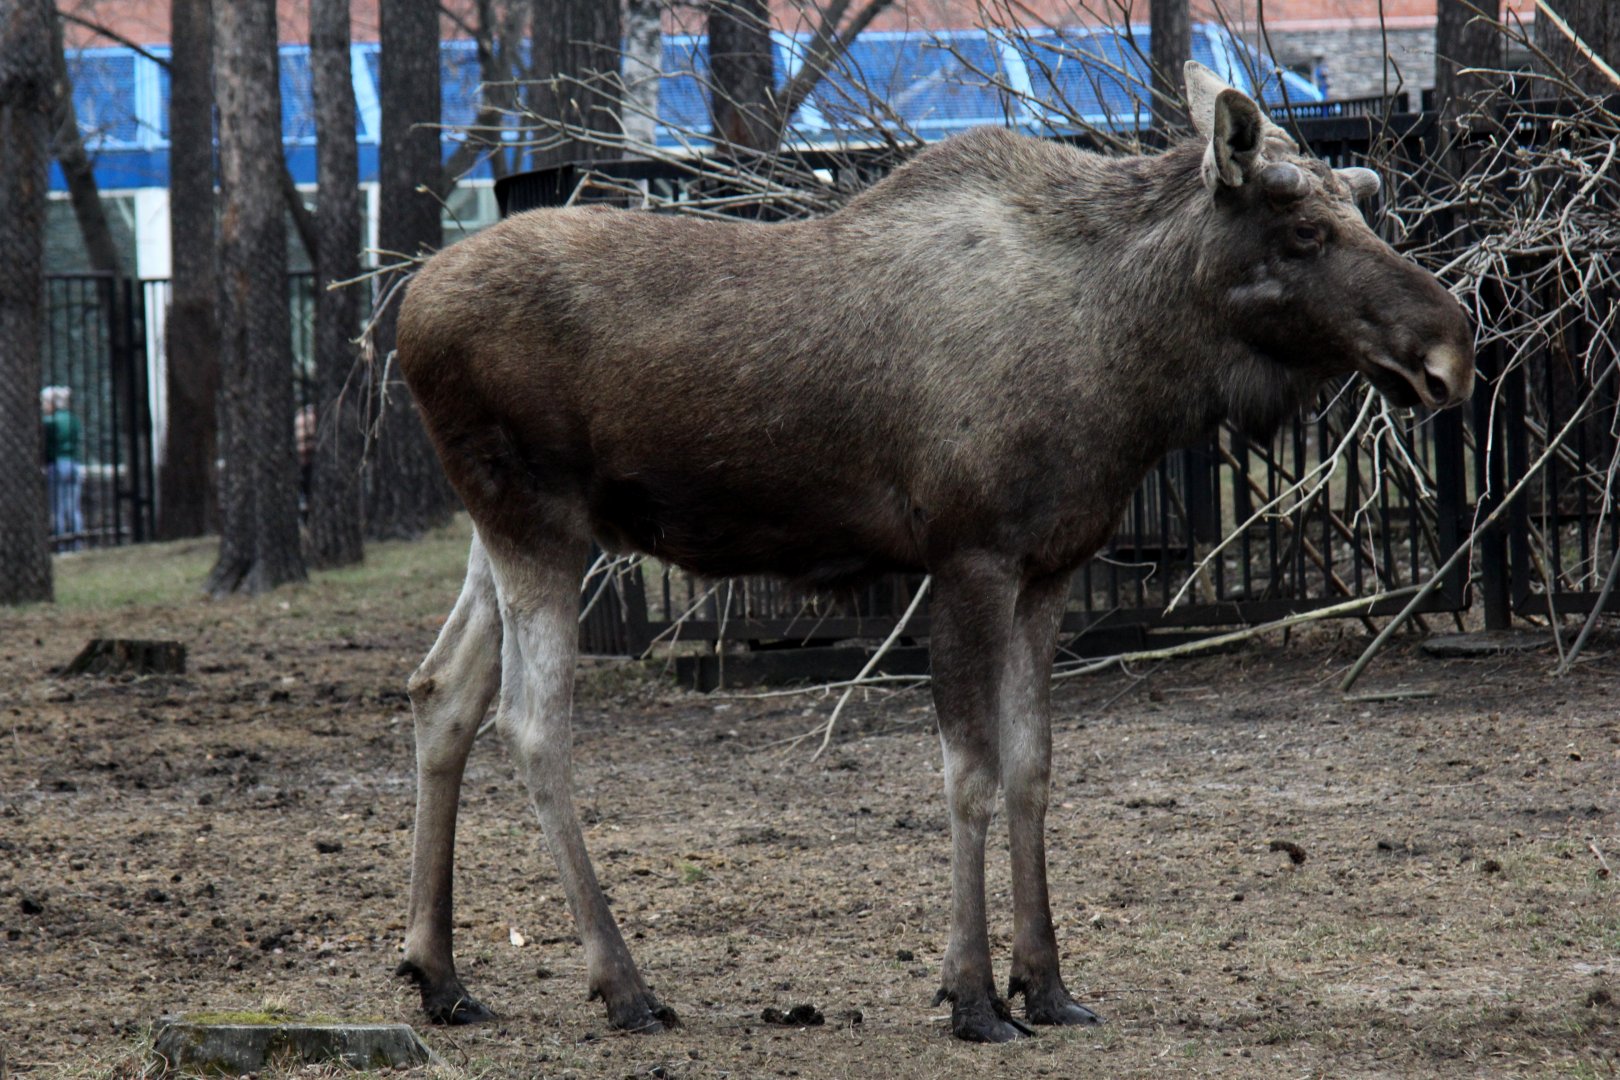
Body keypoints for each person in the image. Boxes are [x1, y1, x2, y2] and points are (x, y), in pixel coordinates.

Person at [41, 386, 85, 548]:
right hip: (74, 463)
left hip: (57, 464)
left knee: (57, 509)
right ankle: (77, 544)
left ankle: (61, 545)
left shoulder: (49, 422)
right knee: (74, 509)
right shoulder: (73, 420)